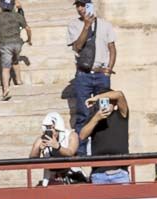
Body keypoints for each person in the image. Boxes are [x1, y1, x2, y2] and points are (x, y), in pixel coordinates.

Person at [66, 0, 117, 153]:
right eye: (78, 5)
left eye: (84, 5)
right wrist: (87, 26)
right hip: (83, 75)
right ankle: (81, 152)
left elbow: (112, 48)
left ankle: (103, 148)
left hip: (102, 74)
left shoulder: (105, 25)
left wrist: (109, 68)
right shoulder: (74, 25)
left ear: (91, 6)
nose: (81, 9)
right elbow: (77, 47)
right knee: (83, 113)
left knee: (104, 111)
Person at [0, 0, 32, 100]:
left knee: (6, 68)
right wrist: (29, 40)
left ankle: (5, 90)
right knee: (15, 61)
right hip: (18, 44)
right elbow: (28, 28)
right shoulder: (18, 16)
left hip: (6, 44)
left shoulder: (0, 17)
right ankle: (19, 81)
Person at [78, 89, 130, 184]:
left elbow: (119, 94)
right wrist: (96, 118)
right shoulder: (94, 118)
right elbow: (82, 135)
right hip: (99, 174)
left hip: (120, 173)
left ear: (115, 103)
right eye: (102, 102)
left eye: (108, 101)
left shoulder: (121, 114)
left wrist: (96, 98)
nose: (106, 104)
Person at [28, 112, 81, 185]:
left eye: (53, 127)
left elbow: (71, 152)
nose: (52, 130)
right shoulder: (42, 138)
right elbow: (32, 157)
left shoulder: (71, 135)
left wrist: (57, 146)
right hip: (51, 175)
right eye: (49, 128)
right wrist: (39, 149)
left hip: (72, 173)